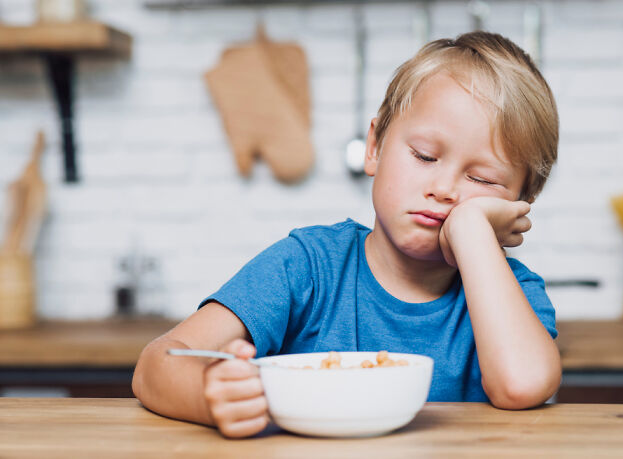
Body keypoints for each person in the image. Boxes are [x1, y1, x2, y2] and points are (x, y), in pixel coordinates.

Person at [132, 31, 561, 439]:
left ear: (520, 203)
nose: (444, 189)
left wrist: (471, 230)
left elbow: (521, 385)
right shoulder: (307, 266)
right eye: (424, 155)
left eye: (483, 179)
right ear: (374, 147)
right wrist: (212, 395)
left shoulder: (515, 294)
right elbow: (156, 365)